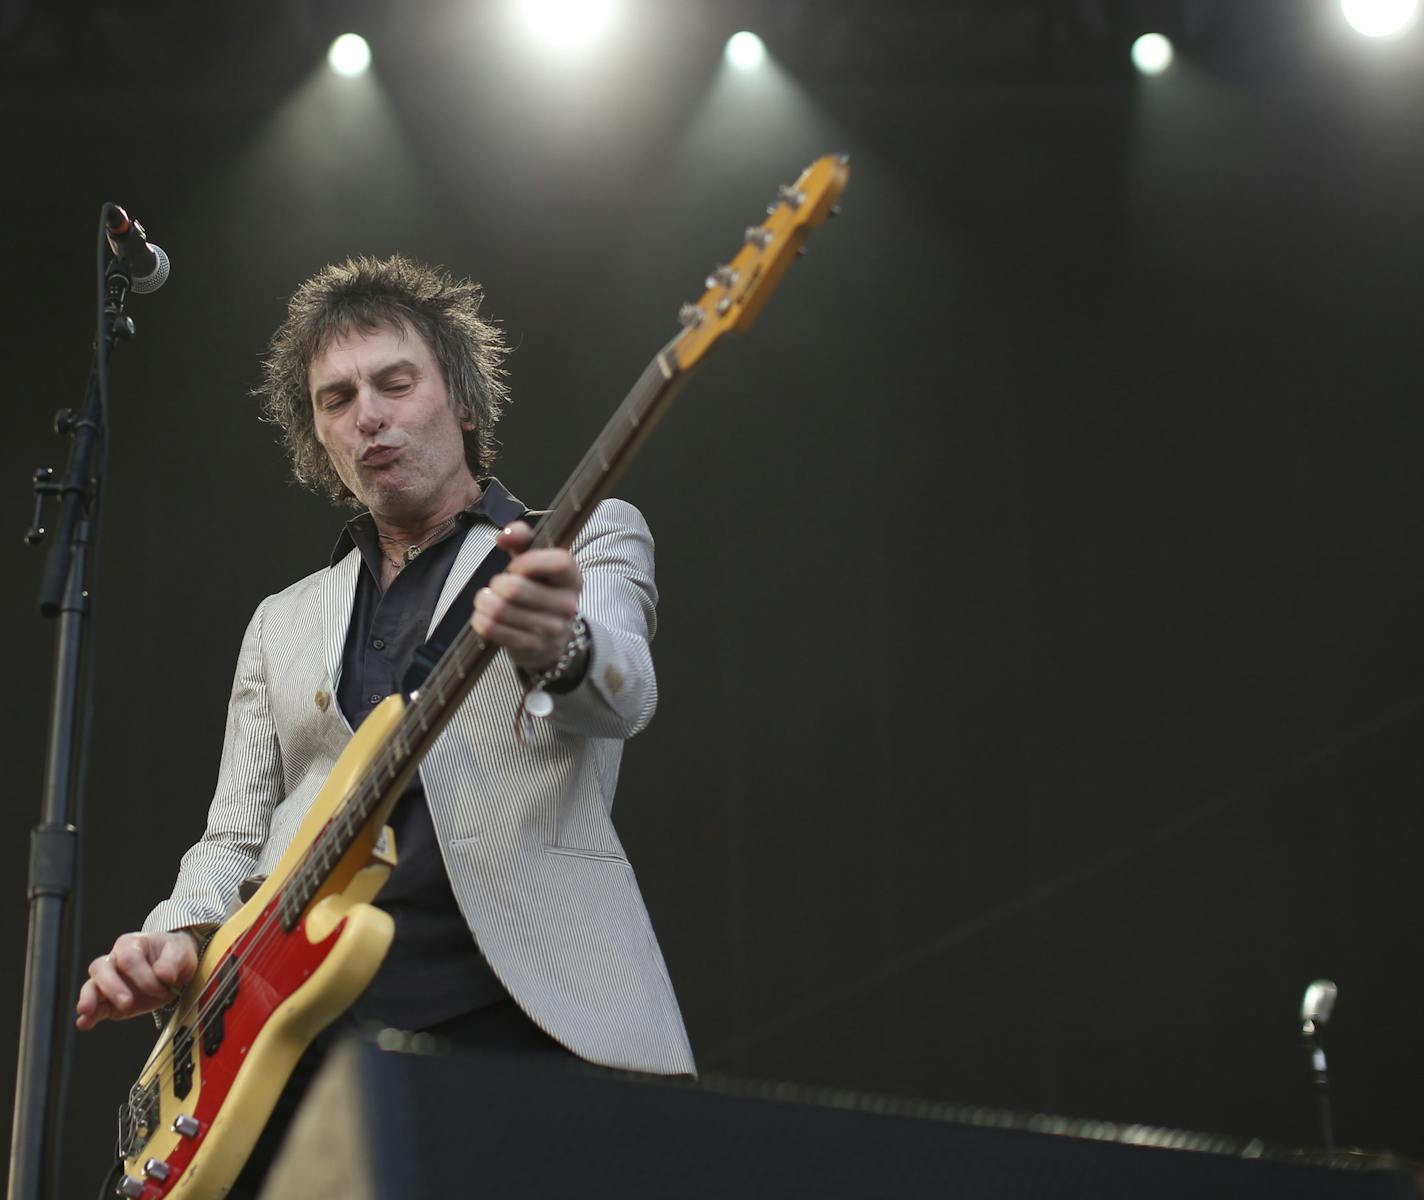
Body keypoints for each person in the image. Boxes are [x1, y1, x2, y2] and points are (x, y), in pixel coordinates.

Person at [75, 254, 693, 1188]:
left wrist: (557, 644)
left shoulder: (581, 537)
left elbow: (624, 688)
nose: (368, 414)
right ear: (317, 438)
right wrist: (178, 932)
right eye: (336, 399)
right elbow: (233, 835)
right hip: (295, 1025)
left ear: (465, 402)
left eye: (395, 383)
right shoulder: (281, 620)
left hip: (517, 1007)